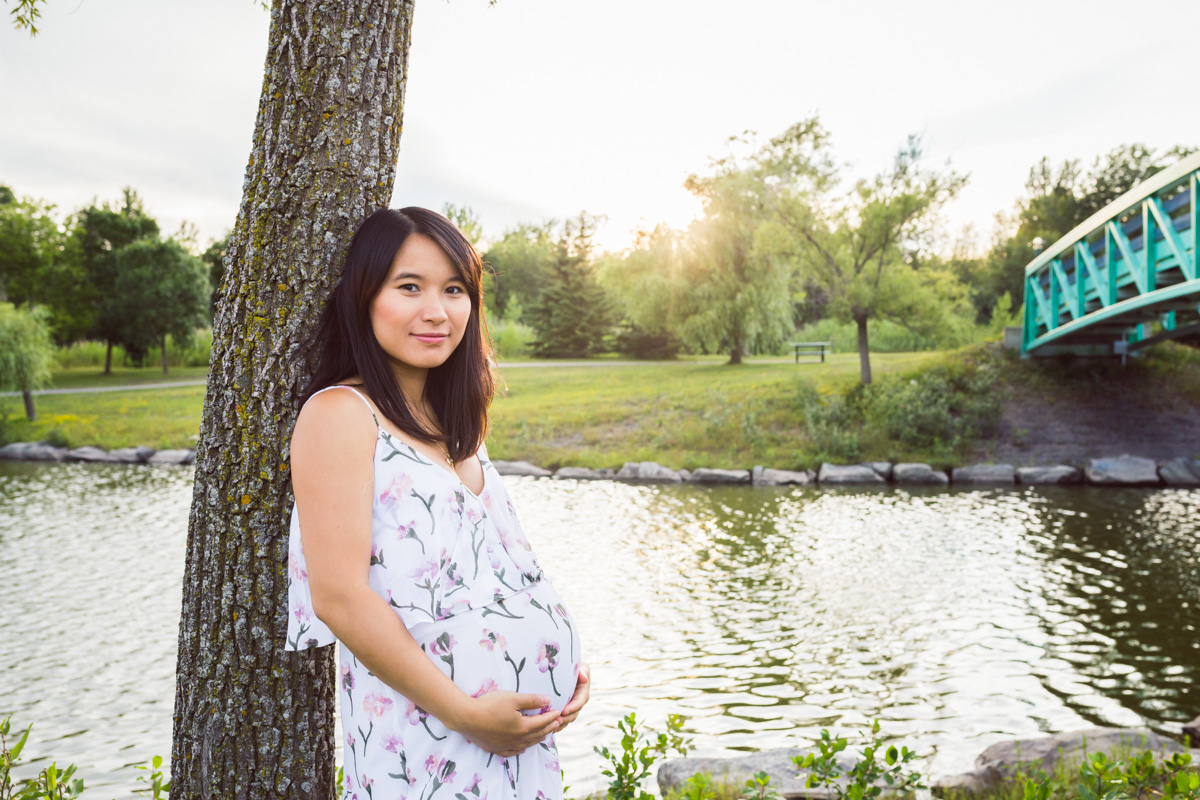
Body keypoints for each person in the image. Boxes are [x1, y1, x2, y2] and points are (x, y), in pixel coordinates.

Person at [283, 206, 590, 800]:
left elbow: (495, 578)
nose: (436, 311)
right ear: (363, 298)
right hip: (427, 745)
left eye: (454, 289)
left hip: (514, 749)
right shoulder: (341, 416)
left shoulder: (457, 430)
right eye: (409, 287)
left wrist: (560, 667)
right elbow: (340, 600)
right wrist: (466, 714)